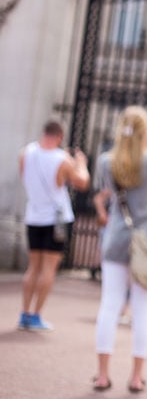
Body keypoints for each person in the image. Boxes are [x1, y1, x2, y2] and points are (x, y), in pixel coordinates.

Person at [91, 106, 147, 392]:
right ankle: (136, 376)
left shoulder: (106, 161)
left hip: (116, 238)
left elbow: (111, 192)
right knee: (142, 310)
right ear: (146, 131)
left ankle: (102, 374)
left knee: (109, 304)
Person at [18, 118, 91, 331]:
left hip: (34, 215)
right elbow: (82, 182)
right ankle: (36, 315)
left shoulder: (26, 153)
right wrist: (81, 163)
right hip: (55, 218)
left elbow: (25, 177)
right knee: (48, 269)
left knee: (33, 267)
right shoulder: (62, 159)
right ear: (59, 137)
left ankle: (24, 313)